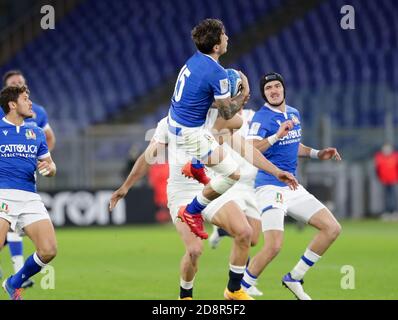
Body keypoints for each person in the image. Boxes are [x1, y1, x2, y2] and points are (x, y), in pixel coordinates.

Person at [110, 107, 298, 300]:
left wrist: (276, 171)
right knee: (194, 251)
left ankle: (233, 291)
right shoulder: (168, 124)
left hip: (212, 187)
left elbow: (247, 151)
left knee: (245, 233)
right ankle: (185, 296)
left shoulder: (215, 124)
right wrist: (125, 187)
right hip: (181, 193)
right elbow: (147, 157)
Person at [166, 19, 295, 242]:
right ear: (216, 46)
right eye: (224, 35)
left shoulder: (194, 61)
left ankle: (197, 166)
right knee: (232, 174)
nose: (228, 38)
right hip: (190, 133)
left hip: (176, 123)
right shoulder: (217, 73)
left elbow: (207, 99)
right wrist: (243, 94)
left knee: (227, 130)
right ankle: (192, 211)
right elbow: (227, 112)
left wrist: (224, 98)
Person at [241, 72, 342, 300]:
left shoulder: (293, 113)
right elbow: (251, 149)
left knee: (332, 228)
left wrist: (317, 153)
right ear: (264, 94)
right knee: (274, 246)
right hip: (270, 186)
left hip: (293, 187)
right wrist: (276, 135)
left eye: (277, 86)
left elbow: (293, 144)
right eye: (268, 88)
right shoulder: (261, 118)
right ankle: (239, 290)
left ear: (284, 89)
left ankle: (294, 278)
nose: (274, 90)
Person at [0, 70, 56, 289]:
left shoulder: (36, 132)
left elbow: (50, 165)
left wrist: (49, 168)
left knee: (49, 250)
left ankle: (14, 282)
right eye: (25, 99)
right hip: (2, 194)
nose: (31, 103)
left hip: (29, 197)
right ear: (13, 105)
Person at [374, 143, 398, 216]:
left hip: (393, 180)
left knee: (394, 197)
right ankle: (386, 212)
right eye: (385, 149)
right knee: (385, 197)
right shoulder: (379, 157)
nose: (386, 151)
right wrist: (380, 178)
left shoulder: (395, 156)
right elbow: (377, 169)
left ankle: (394, 212)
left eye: (388, 149)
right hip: (384, 181)